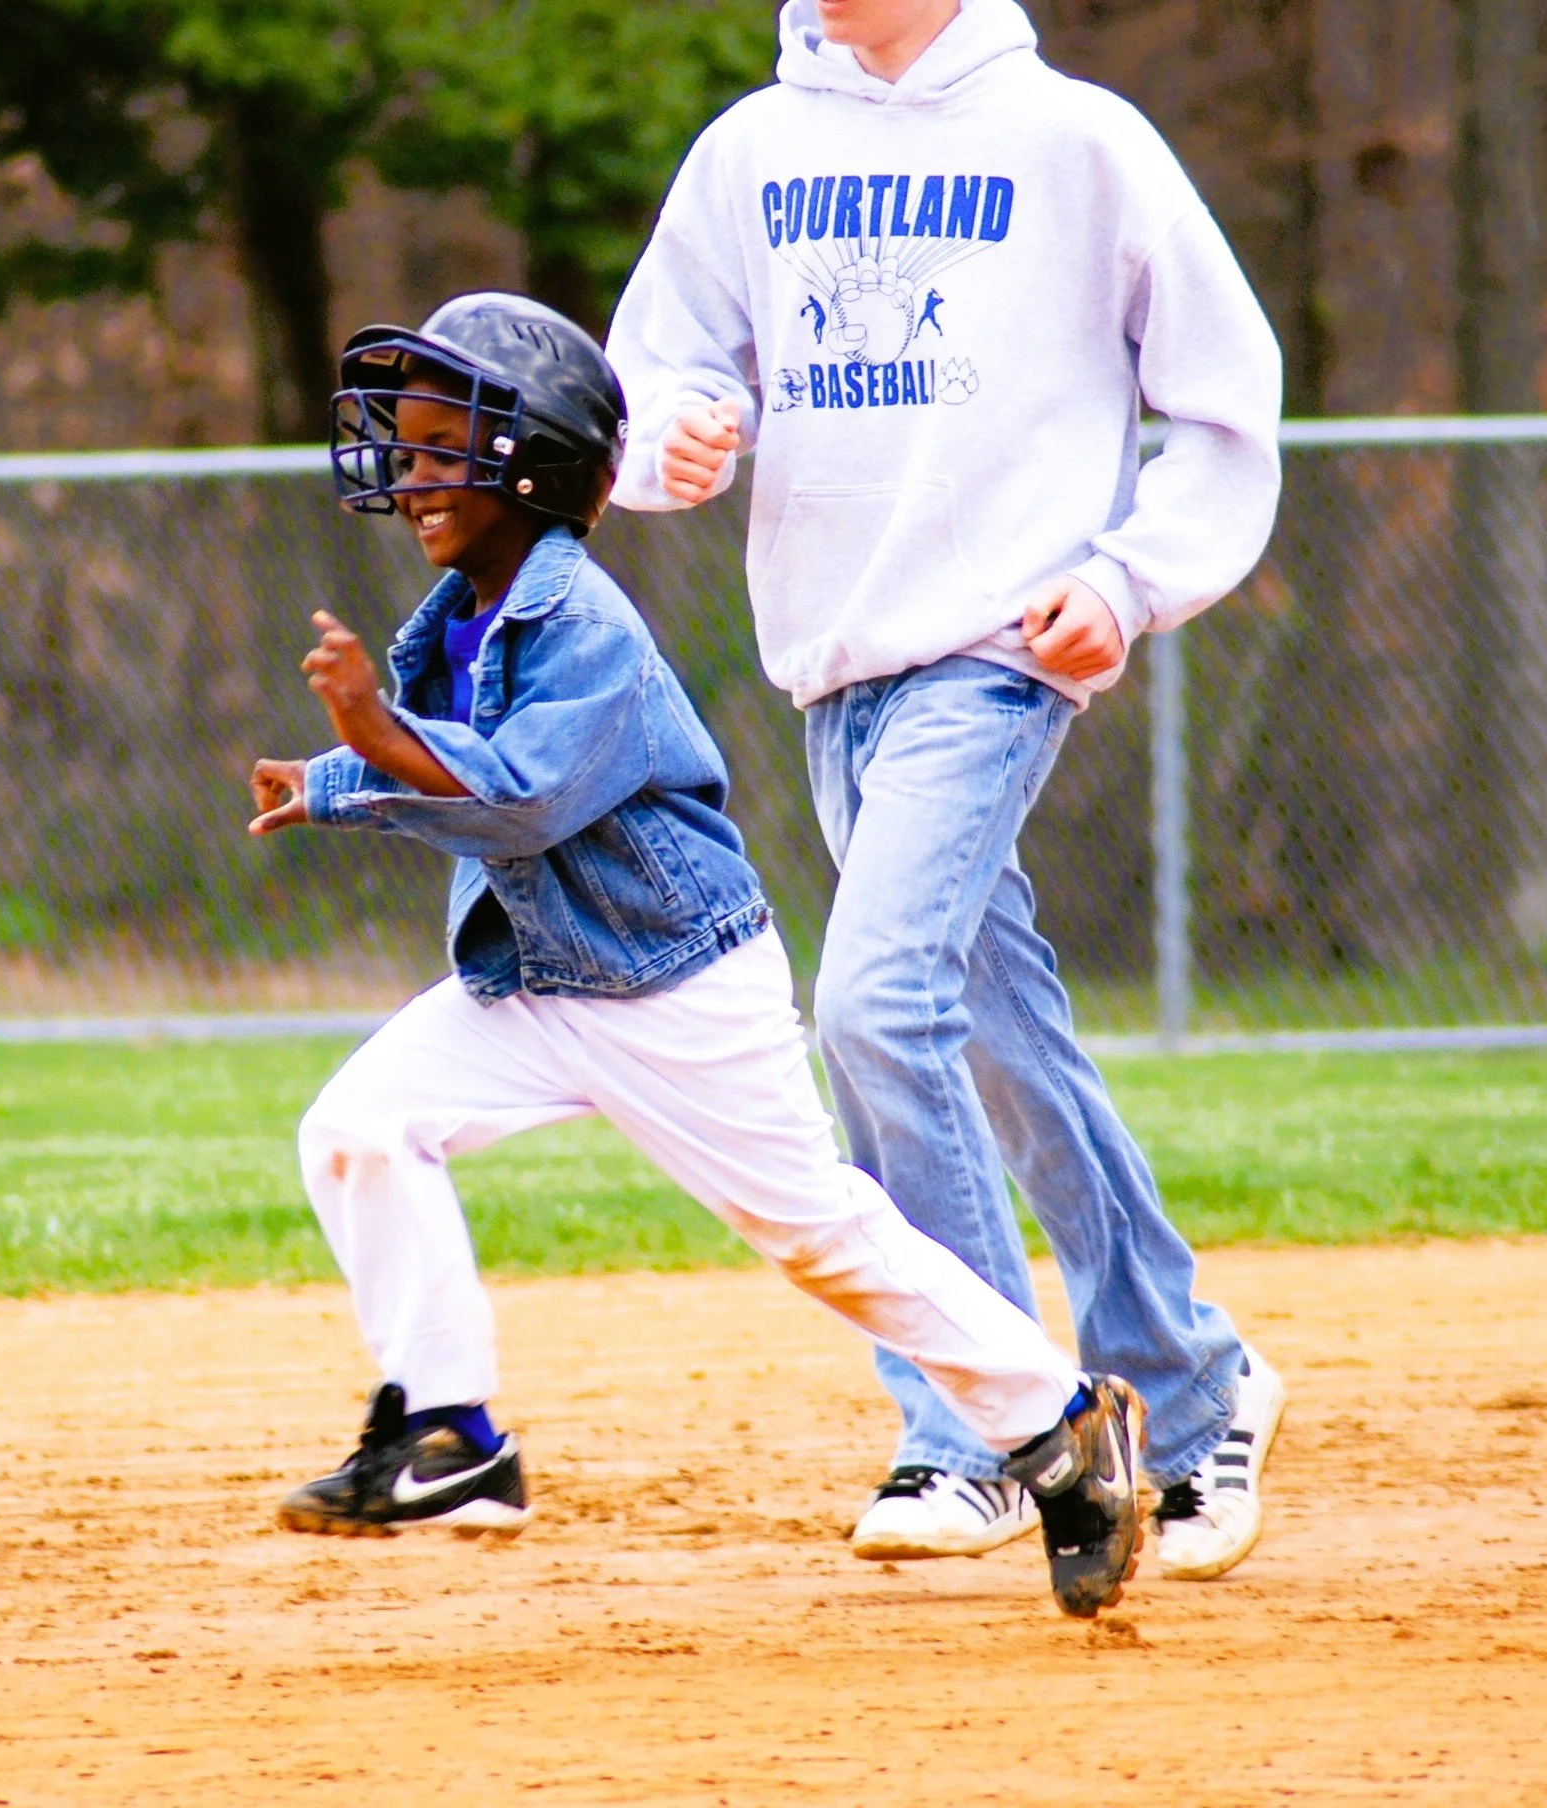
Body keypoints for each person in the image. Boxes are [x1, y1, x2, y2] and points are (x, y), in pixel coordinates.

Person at [245, 289, 1148, 1620]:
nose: (413, 469)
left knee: (818, 1237)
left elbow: (521, 794)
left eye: (446, 443)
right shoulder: (448, 620)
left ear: (535, 461)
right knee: (359, 1129)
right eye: (410, 441)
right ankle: (450, 1439)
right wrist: (338, 770)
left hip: (674, 989)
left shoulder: (584, 625)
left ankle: (1064, 1428)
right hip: (538, 980)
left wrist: (366, 748)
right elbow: (444, 772)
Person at [604, 0, 1286, 1582]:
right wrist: (671, 438)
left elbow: (1223, 406)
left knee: (870, 1002)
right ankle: (1191, 1387)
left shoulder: (1079, 140)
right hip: (832, 661)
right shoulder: (751, 148)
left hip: (1001, 646)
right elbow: (655, 379)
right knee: (993, 1039)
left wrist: (1129, 582)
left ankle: (988, 1423)